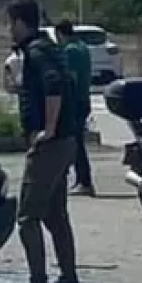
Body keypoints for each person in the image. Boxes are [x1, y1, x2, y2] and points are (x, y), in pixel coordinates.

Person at [7, 0, 82, 283]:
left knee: (27, 217)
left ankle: (38, 281)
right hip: (66, 141)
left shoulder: (37, 51)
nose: (10, 30)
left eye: (11, 23)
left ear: (19, 22)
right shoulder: (48, 48)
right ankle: (68, 278)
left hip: (51, 144)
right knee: (55, 214)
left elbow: (54, 86)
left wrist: (48, 129)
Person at [56, 20, 95, 196]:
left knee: (75, 142)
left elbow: (71, 77)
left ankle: (84, 181)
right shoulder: (83, 47)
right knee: (77, 141)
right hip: (84, 98)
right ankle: (82, 180)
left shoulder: (70, 51)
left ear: (60, 34)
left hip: (75, 101)